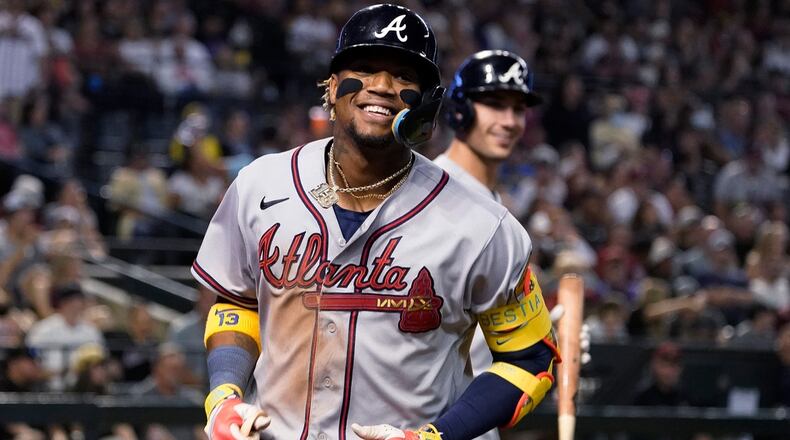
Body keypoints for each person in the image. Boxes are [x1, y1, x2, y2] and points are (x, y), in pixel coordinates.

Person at [192, 4, 558, 440]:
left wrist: (436, 436)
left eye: (405, 77)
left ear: (427, 102)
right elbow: (238, 303)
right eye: (364, 68)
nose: (382, 87)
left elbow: (530, 359)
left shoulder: (483, 225)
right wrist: (225, 395)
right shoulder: (259, 186)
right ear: (330, 86)